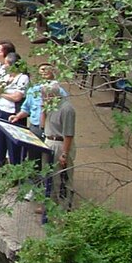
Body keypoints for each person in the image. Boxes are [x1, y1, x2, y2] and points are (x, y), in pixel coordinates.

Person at [41, 83, 76, 211]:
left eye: (46, 96)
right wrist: (43, 109)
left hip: (60, 144)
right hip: (49, 141)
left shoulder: (67, 109)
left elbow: (68, 133)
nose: (44, 99)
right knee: (49, 176)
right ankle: (51, 204)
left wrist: (64, 153)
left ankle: (65, 208)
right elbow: (42, 125)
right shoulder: (50, 106)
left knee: (62, 179)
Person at [0, 53, 30, 167]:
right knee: (0, 139)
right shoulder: (5, 76)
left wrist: (2, 93)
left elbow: (17, 97)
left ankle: (15, 166)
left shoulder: (23, 78)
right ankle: (0, 164)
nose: (4, 66)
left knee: (13, 143)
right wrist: (3, 91)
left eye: (7, 64)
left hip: (13, 113)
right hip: (1, 110)